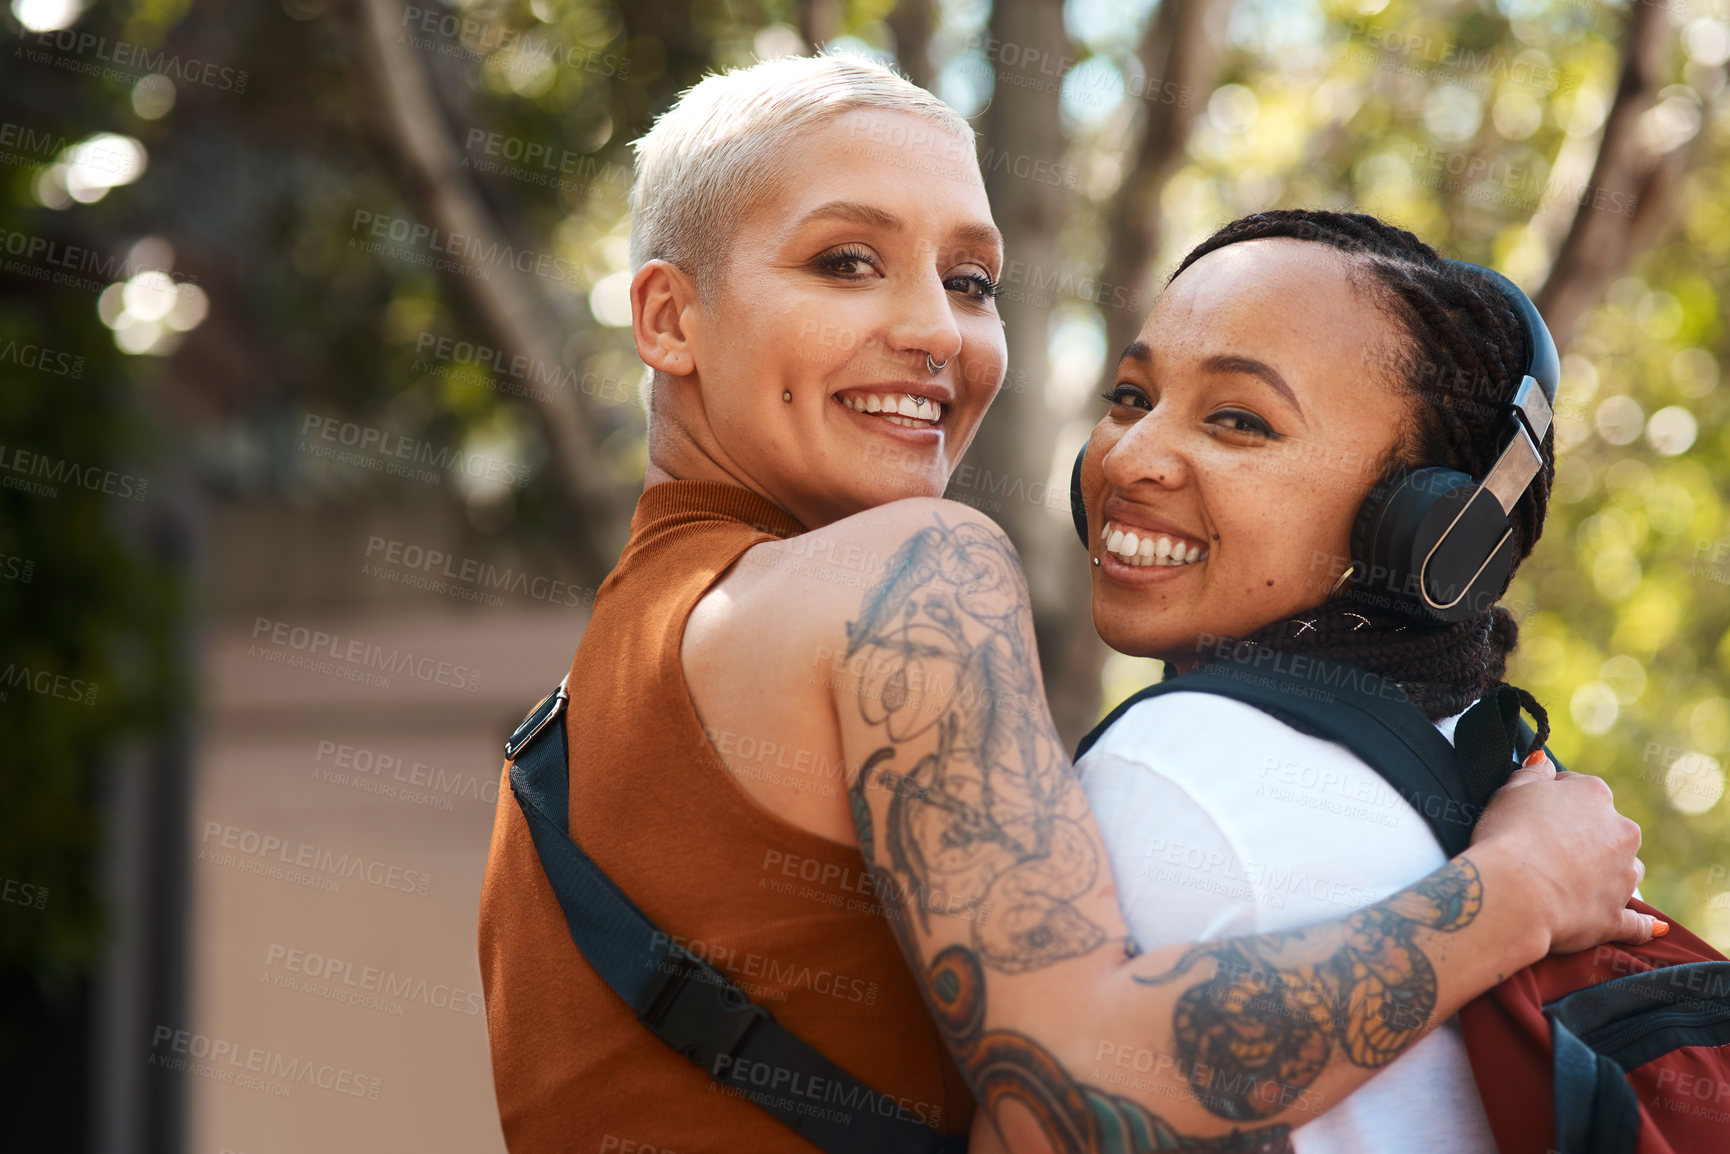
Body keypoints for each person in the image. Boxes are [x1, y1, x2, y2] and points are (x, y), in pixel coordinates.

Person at [478, 56, 1652, 1154]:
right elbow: (1072, 1079)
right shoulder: (913, 569)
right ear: (666, 318)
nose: (934, 329)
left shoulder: (565, 729)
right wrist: (1520, 889)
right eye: (844, 261)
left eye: (968, 279)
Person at [1062, 210, 1604, 1153]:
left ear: (1432, 525)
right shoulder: (1491, 772)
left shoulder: (1185, 767)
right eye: (1131, 396)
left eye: (1239, 419)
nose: (1132, 457)